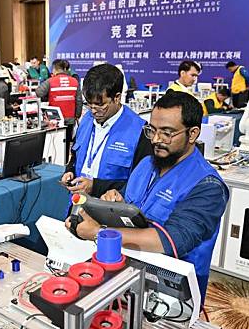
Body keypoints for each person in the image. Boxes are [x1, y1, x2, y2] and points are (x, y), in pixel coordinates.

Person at [66, 90, 229, 300]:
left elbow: (170, 242)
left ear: (193, 134)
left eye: (167, 133)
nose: (156, 140)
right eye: (152, 131)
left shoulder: (207, 186)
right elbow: (129, 204)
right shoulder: (147, 164)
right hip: (128, 271)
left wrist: (100, 233)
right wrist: (115, 201)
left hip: (172, 290)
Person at [61, 63, 153, 199]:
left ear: (117, 97)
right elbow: (75, 155)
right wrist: (70, 171)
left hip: (110, 211)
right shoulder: (86, 120)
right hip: (78, 202)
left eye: (100, 105)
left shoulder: (139, 131)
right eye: (88, 103)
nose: (93, 111)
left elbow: (140, 184)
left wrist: (96, 186)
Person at [35, 59, 82, 124]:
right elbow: (79, 100)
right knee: (69, 134)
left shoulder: (50, 81)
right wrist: (77, 115)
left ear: (54, 69)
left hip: (54, 118)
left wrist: (48, 96)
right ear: (65, 69)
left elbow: (39, 93)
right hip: (70, 118)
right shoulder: (74, 81)